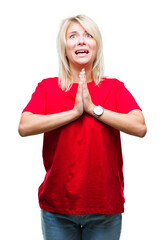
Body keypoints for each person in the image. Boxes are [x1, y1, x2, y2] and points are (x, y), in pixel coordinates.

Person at [18, 14, 147, 240]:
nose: (81, 41)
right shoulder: (48, 88)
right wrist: (74, 113)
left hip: (104, 206)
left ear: (96, 45)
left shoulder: (114, 88)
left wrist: (94, 109)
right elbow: (24, 126)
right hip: (57, 208)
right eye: (73, 36)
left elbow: (139, 127)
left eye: (88, 35)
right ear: (64, 48)